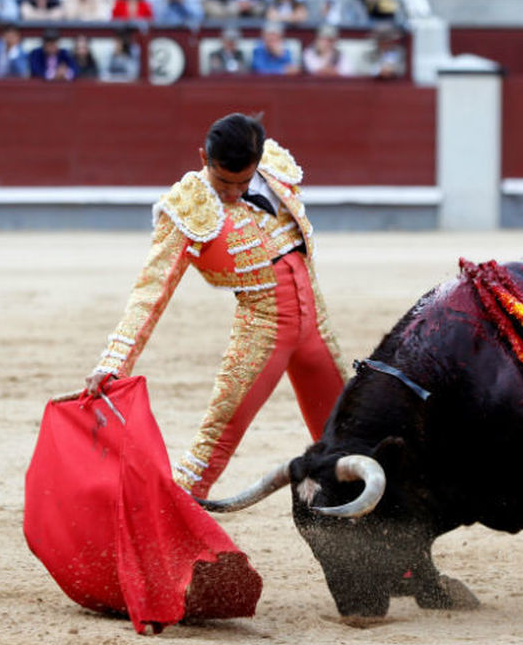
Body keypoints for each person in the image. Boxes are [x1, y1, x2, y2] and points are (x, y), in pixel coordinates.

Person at [85, 113, 347, 498]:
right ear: (204, 158)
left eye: (243, 182)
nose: (234, 193)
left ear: (257, 162)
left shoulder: (275, 171)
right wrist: (114, 361)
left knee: (350, 434)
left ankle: (375, 540)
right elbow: (151, 291)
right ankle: (165, 538)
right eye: (224, 182)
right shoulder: (188, 207)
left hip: (316, 329)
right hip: (263, 330)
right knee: (212, 446)